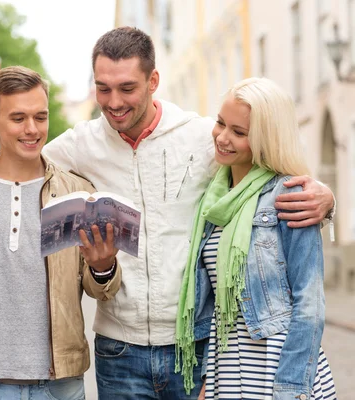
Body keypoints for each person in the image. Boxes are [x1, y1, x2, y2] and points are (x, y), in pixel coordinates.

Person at [43, 27, 335, 399]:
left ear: (153, 81)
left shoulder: (204, 136)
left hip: (195, 347)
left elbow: (271, 168)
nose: (114, 101)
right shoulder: (79, 145)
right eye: (103, 88)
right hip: (118, 349)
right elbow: (21, 167)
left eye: (127, 88)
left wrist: (326, 198)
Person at [0, 66, 121, 400]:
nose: (32, 130)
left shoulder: (77, 192)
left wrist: (104, 266)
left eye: (40, 117)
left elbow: (100, 290)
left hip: (60, 385)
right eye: (18, 118)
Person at [176, 77, 337, 400]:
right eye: (221, 123)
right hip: (229, 370)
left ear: (265, 138)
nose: (222, 137)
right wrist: (210, 376)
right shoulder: (214, 200)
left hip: (279, 370)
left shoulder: (290, 195)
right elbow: (218, 309)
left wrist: (291, 387)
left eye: (239, 132)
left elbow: (310, 302)